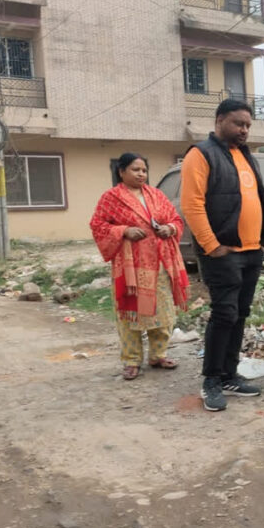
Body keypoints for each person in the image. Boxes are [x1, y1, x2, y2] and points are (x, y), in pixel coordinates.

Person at [180, 98, 264, 412]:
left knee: (241, 313)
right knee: (224, 314)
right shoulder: (201, 154)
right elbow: (192, 204)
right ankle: (212, 380)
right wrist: (212, 245)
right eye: (238, 123)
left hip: (251, 250)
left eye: (247, 125)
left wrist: (260, 242)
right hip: (223, 252)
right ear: (219, 121)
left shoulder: (245, 155)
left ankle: (230, 374)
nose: (244, 130)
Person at [90, 152, 190, 381]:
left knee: (162, 311)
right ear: (121, 172)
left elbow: (175, 219)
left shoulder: (156, 195)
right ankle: (131, 360)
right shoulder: (111, 198)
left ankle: (158, 355)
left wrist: (169, 229)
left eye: (144, 170)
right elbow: (98, 225)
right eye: (135, 170)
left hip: (160, 263)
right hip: (130, 268)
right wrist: (124, 231)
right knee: (130, 314)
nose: (141, 174)